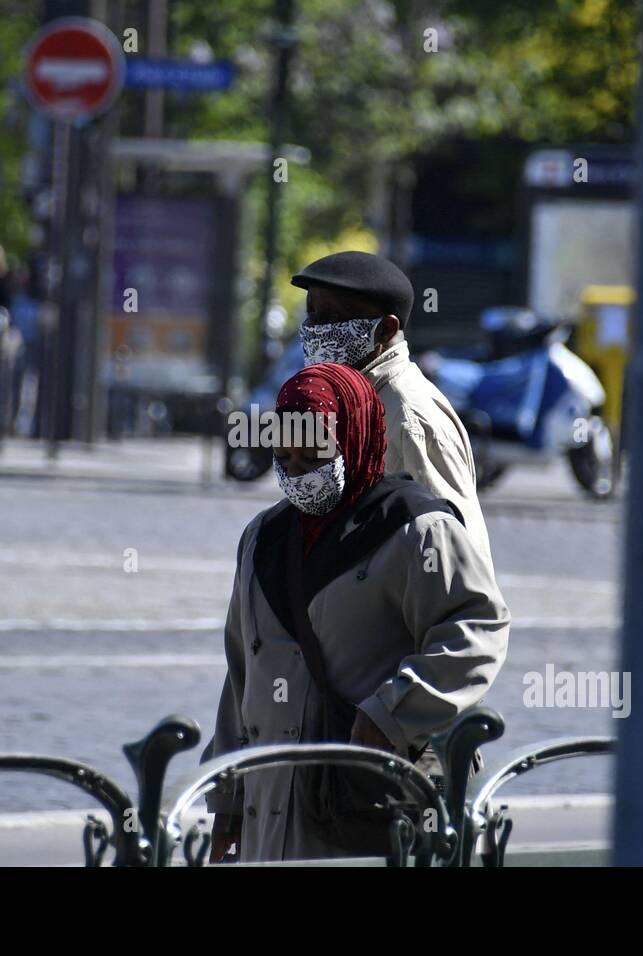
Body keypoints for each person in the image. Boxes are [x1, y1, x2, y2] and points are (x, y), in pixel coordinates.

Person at [203, 362, 510, 863]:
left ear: (354, 436)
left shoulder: (415, 528)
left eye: (314, 453)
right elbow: (242, 677)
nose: (298, 470)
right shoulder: (263, 538)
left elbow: (476, 628)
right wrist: (227, 802)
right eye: (285, 454)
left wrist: (393, 710)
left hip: (364, 812)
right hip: (268, 813)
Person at [289, 251, 495, 578]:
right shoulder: (346, 396)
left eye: (333, 317)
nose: (315, 329)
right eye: (311, 313)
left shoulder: (410, 418)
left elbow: (455, 558)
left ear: (385, 330)